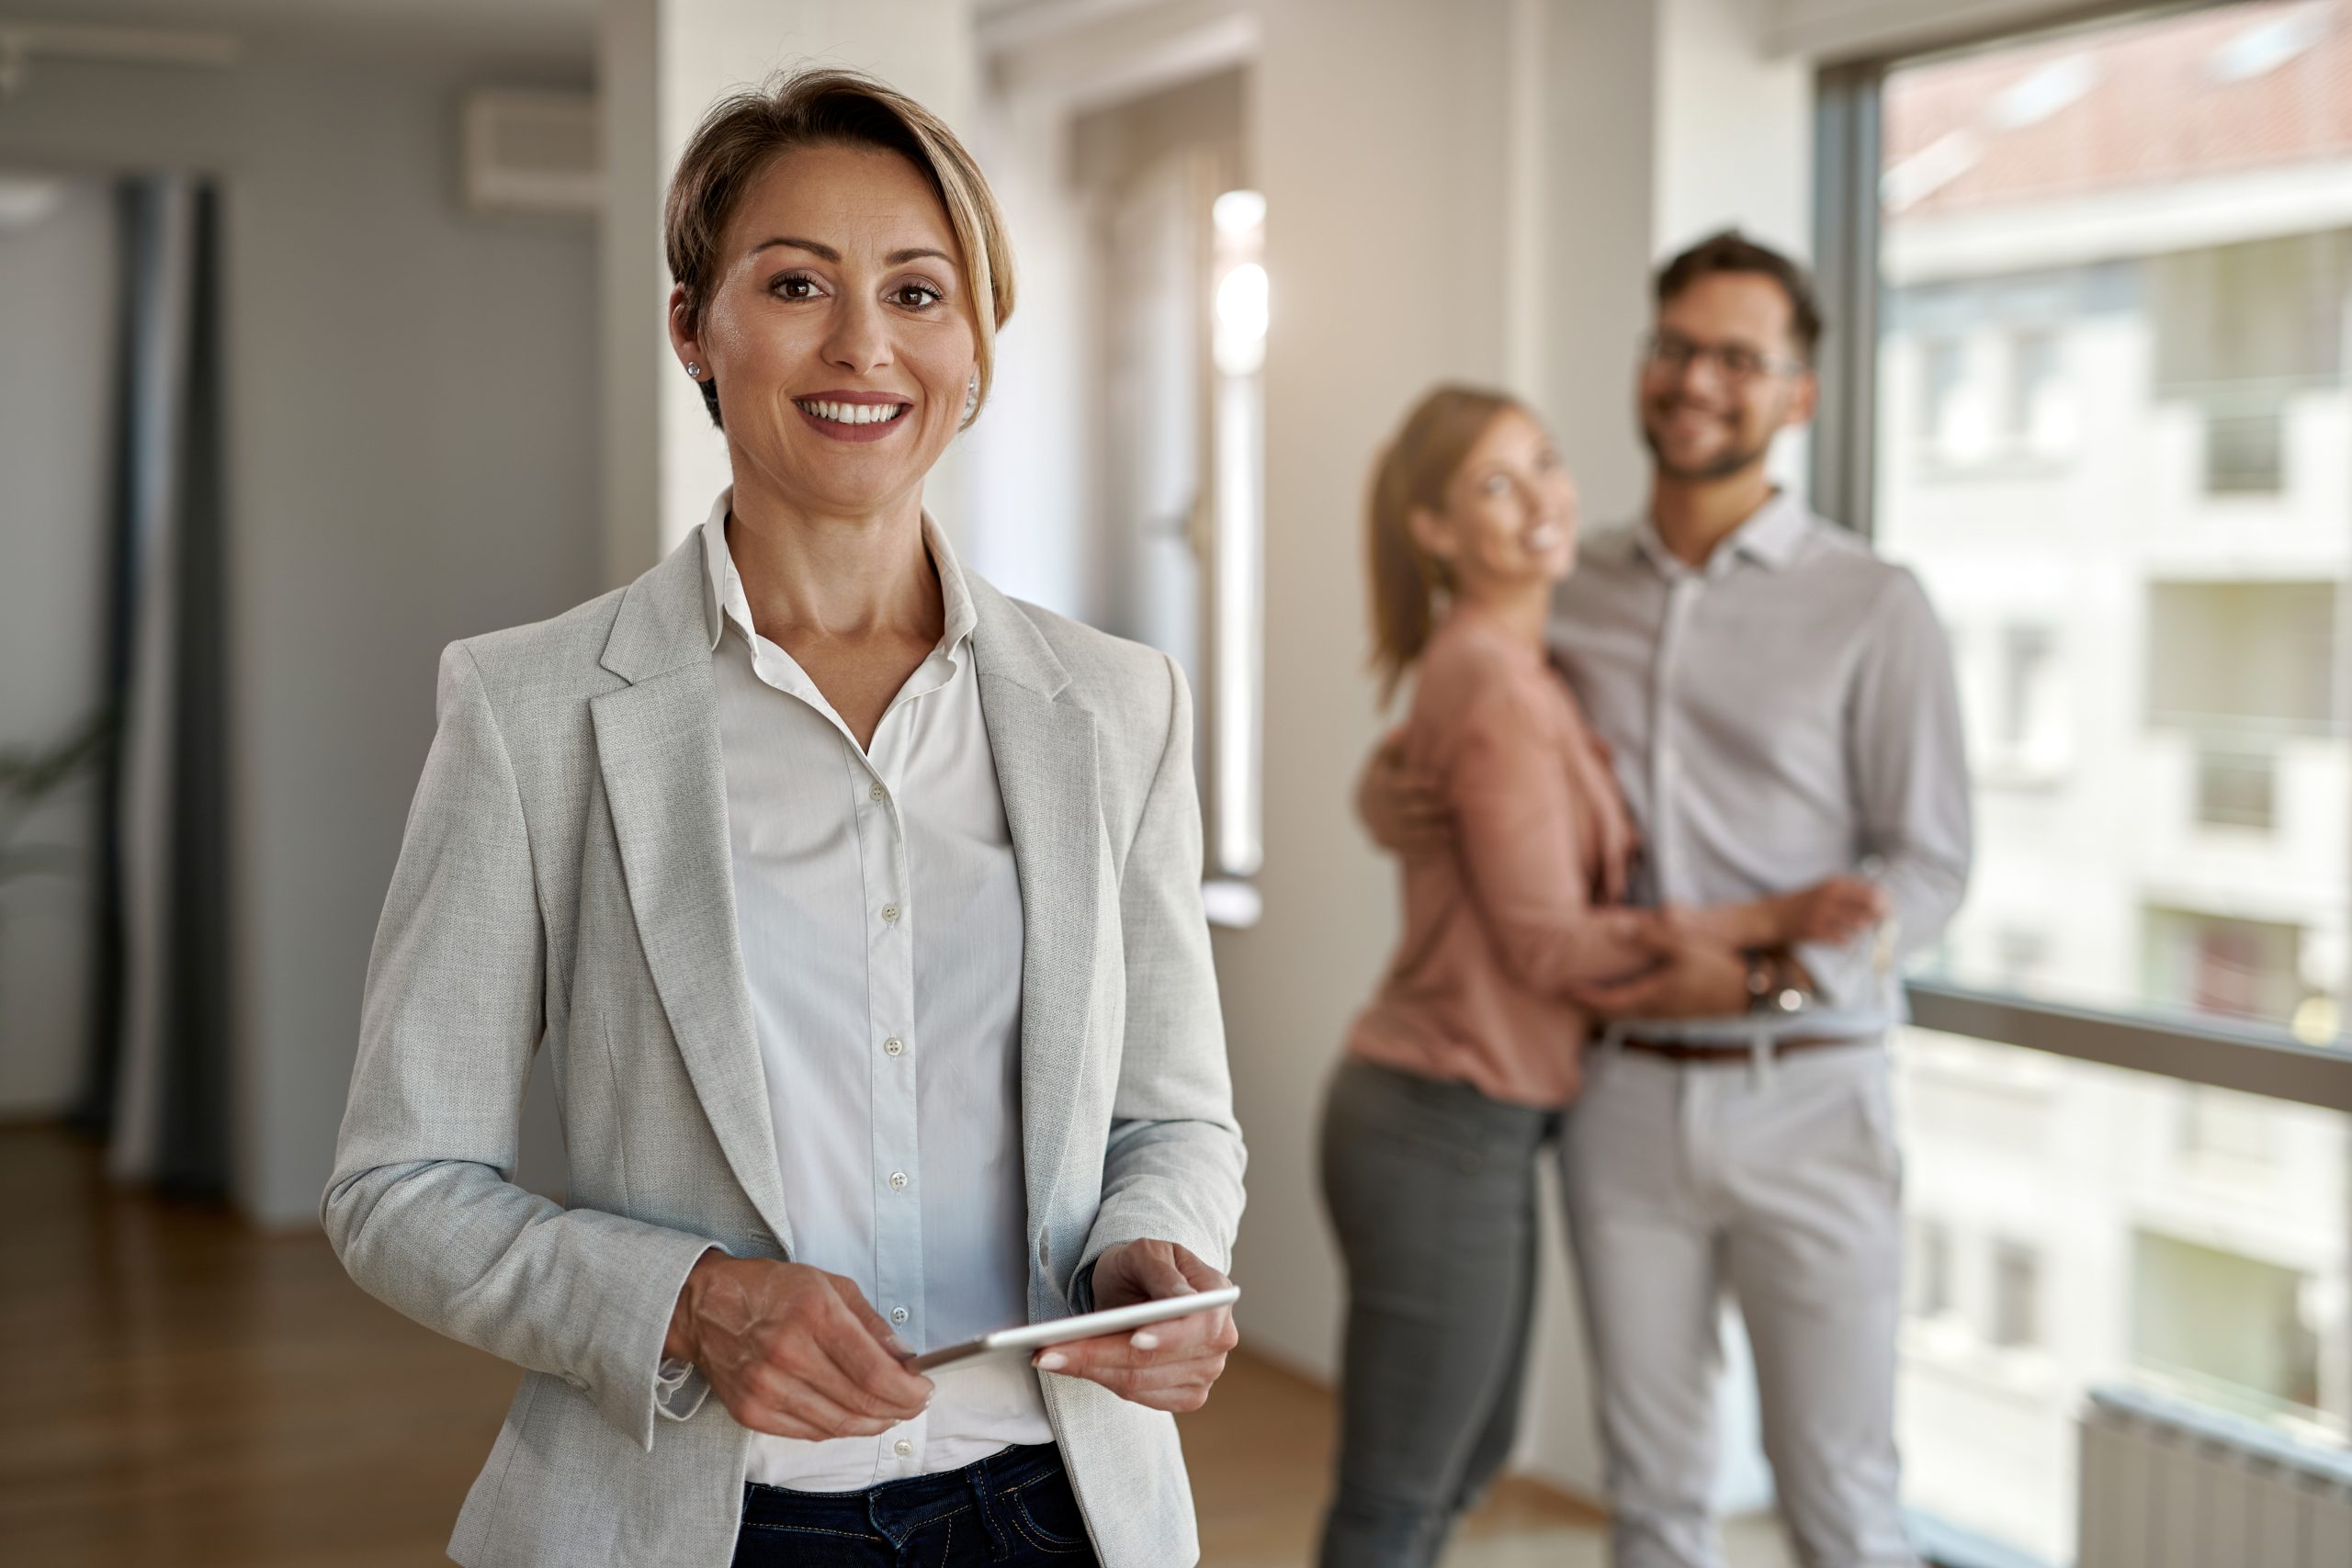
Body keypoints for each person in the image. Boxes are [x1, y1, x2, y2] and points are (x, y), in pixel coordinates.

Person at [323, 70, 1245, 1568]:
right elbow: (395, 1188)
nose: (862, 344)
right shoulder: (530, 710)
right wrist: (687, 1299)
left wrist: (1162, 1247)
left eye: (919, 291)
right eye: (797, 283)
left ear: (979, 347)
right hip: (706, 1522)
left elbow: (1174, 1115)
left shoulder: (1116, 706)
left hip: (1058, 1509)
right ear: (695, 325)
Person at [1362, 232, 1972, 1568]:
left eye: (1740, 360)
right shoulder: (1562, 593)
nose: (1700, 381)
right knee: (1654, 1502)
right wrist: (1380, 791)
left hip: (1812, 1092)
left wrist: (1775, 978)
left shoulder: (1875, 605)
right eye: (1677, 348)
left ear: (1797, 396)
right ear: (1646, 367)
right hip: (1621, 1097)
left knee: (1842, 1504)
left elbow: (1927, 867)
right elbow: (1458, 735)